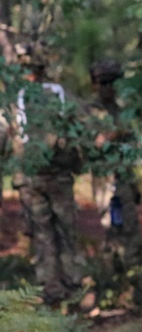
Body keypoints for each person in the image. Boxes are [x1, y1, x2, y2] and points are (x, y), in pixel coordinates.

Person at [8, 41, 89, 308]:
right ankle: (74, 291)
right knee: (67, 231)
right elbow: (80, 128)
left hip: (30, 178)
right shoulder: (59, 93)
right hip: (59, 176)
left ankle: (51, 292)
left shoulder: (13, 98)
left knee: (42, 234)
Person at [87, 59, 142, 310]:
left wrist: (134, 184)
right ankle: (109, 293)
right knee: (113, 237)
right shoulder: (90, 111)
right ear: (95, 84)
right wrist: (116, 133)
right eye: (104, 82)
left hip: (123, 179)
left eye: (113, 82)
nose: (109, 88)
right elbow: (93, 145)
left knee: (131, 237)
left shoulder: (121, 110)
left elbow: (132, 150)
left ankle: (139, 295)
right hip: (106, 183)